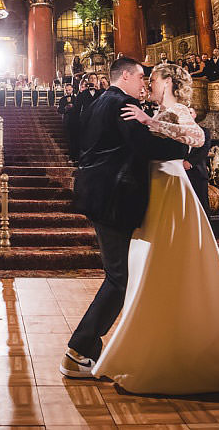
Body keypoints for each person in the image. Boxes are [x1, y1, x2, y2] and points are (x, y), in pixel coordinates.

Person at [85, 61, 219, 402]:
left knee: (178, 264)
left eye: (153, 79)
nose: (148, 83)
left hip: (170, 188)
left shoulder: (177, 109)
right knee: (157, 270)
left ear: (167, 82)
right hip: (156, 187)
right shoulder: (153, 108)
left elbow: (197, 137)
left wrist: (150, 122)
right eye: (145, 78)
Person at [61, 57, 192, 379]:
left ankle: (87, 350)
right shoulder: (123, 103)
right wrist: (188, 147)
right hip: (115, 196)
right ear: (128, 76)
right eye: (141, 78)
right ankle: (78, 349)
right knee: (120, 277)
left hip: (99, 192)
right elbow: (145, 147)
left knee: (120, 274)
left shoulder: (98, 102)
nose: (144, 84)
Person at [184, 106, 213, 213]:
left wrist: (190, 162)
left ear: (195, 115)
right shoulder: (177, 132)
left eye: (190, 112)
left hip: (198, 173)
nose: (188, 115)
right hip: (181, 173)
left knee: (202, 205)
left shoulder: (204, 132)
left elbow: (204, 150)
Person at [57, 83, 76, 161]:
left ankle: (75, 156)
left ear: (72, 89)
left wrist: (73, 106)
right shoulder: (62, 99)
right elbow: (59, 110)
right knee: (69, 139)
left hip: (75, 121)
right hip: (67, 121)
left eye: (69, 90)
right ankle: (71, 155)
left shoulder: (76, 98)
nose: (68, 91)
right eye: (66, 90)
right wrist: (65, 108)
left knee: (75, 139)